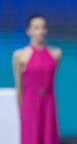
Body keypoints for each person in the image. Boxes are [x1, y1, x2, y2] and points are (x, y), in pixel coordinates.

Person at [12, 15, 62, 144]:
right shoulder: (19, 55)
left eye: (43, 27)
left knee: (49, 138)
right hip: (29, 104)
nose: (40, 31)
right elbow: (19, 87)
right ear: (28, 31)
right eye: (36, 27)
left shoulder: (56, 53)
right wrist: (21, 112)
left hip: (48, 103)